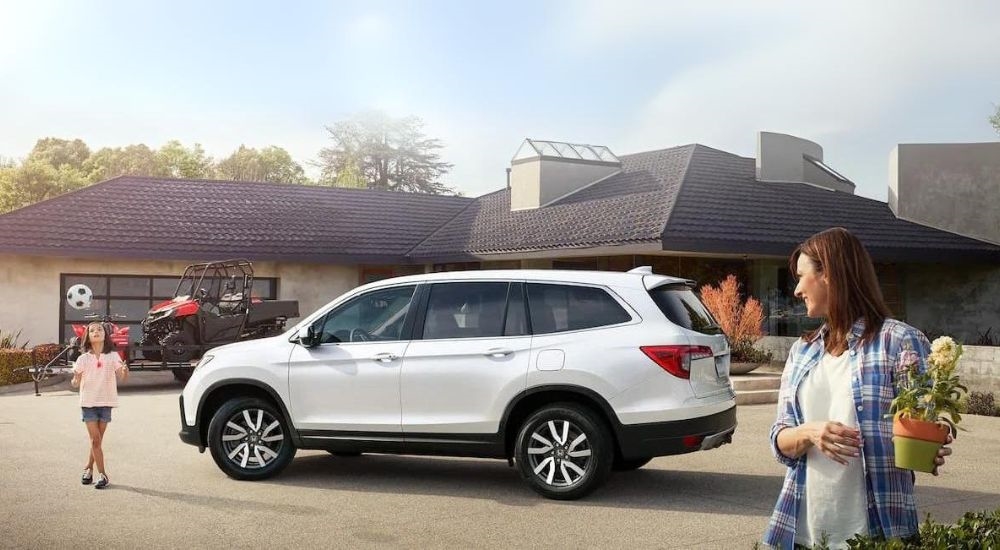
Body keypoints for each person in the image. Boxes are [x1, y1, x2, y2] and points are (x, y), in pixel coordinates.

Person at [763, 227, 953, 549]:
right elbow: (779, 438)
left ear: (829, 275)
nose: (796, 290)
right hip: (803, 531)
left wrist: (929, 446)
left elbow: (922, 422)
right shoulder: (802, 351)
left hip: (879, 529)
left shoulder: (898, 341)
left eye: (801, 276)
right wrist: (810, 432)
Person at [71, 321, 128, 490]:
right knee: (96, 440)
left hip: (106, 402)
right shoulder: (82, 359)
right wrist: (75, 378)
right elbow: (75, 382)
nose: (96, 332)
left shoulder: (113, 356)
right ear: (87, 336)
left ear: (105, 335)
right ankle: (103, 475)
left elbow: (122, 377)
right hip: (88, 403)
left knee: (97, 442)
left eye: (100, 329)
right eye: (92, 330)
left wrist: (125, 370)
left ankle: (88, 469)